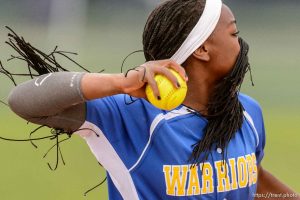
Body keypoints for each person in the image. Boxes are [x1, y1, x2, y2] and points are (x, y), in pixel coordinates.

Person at [7, 0, 299, 199]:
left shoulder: (247, 112)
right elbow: (23, 101)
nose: (242, 44)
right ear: (202, 50)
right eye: (234, 33)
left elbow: (251, 179)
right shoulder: (132, 115)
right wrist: (121, 83)